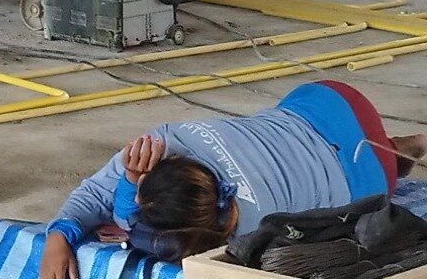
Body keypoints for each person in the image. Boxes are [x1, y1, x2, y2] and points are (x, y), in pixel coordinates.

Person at [42, 81, 427, 278]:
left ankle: (394, 152)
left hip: (367, 175)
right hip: (329, 99)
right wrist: (59, 235)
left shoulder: (253, 232)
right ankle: (394, 146)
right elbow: (101, 195)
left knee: (353, 181)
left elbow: (121, 217)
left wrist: (62, 235)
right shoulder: (164, 142)